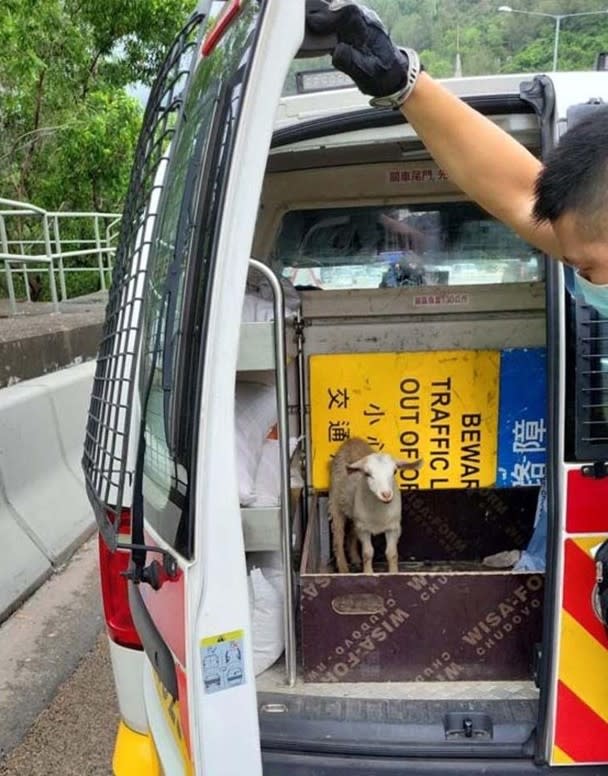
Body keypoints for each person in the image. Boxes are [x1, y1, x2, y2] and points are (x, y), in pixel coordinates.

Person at [307, 1, 608, 316]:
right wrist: (402, 83)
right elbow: (518, 194)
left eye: (586, 267)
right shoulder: (590, 234)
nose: (583, 281)